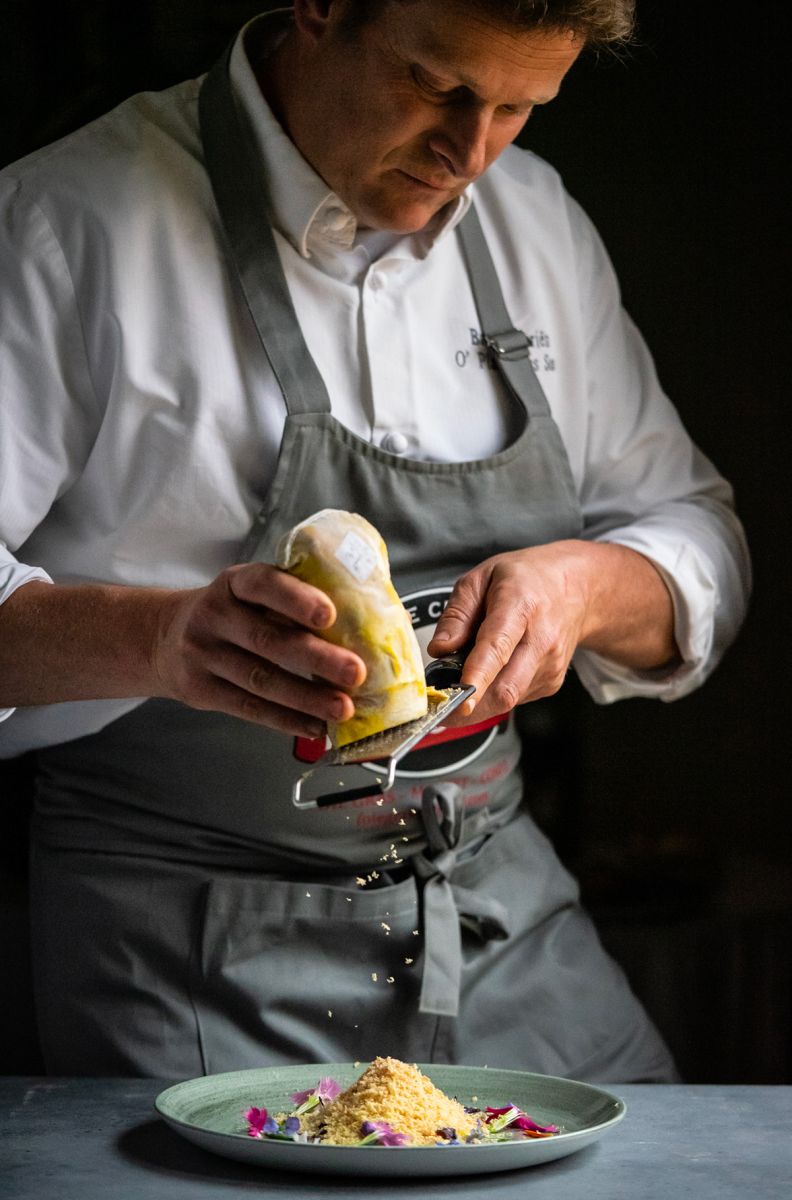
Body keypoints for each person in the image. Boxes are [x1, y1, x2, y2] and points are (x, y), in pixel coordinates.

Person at [0, 0, 750, 1081]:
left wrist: (586, 587)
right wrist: (159, 642)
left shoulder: (535, 220)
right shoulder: (66, 223)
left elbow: (701, 541)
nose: (470, 152)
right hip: (186, 944)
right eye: (439, 87)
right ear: (318, 6)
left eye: (518, 108)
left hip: (502, 917)